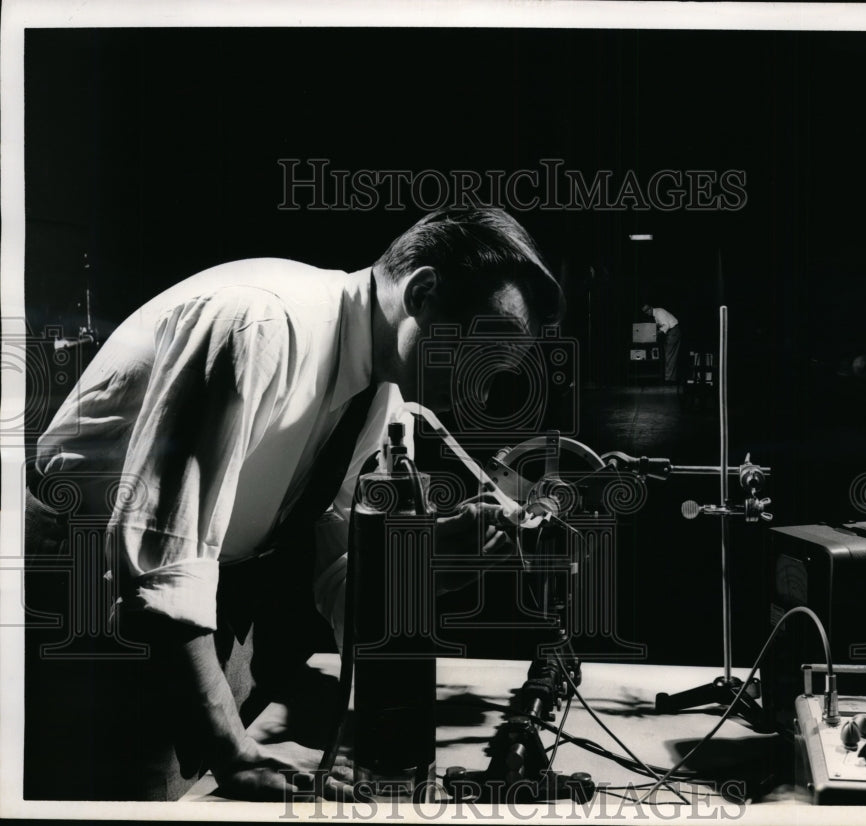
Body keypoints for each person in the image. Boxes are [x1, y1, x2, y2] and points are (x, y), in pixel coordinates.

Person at [24, 207, 564, 801]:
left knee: (201, 791)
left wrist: (433, 565)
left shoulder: (377, 398)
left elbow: (340, 579)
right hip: (76, 586)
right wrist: (231, 751)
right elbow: (161, 557)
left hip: (193, 602)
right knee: (123, 802)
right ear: (424, 291)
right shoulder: (261, 324)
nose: (480, 392)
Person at [641, 303, 681, 383]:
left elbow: (666, 325)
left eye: (647, 310)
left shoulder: (659, 313)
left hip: (673, 332)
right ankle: (670, 378)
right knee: (669, 356)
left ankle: (669, 380)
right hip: (671, 333)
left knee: (669, 356)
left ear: (651, 307)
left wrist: (656, 333)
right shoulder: (656, 314)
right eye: (645, 312)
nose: (647, 312)